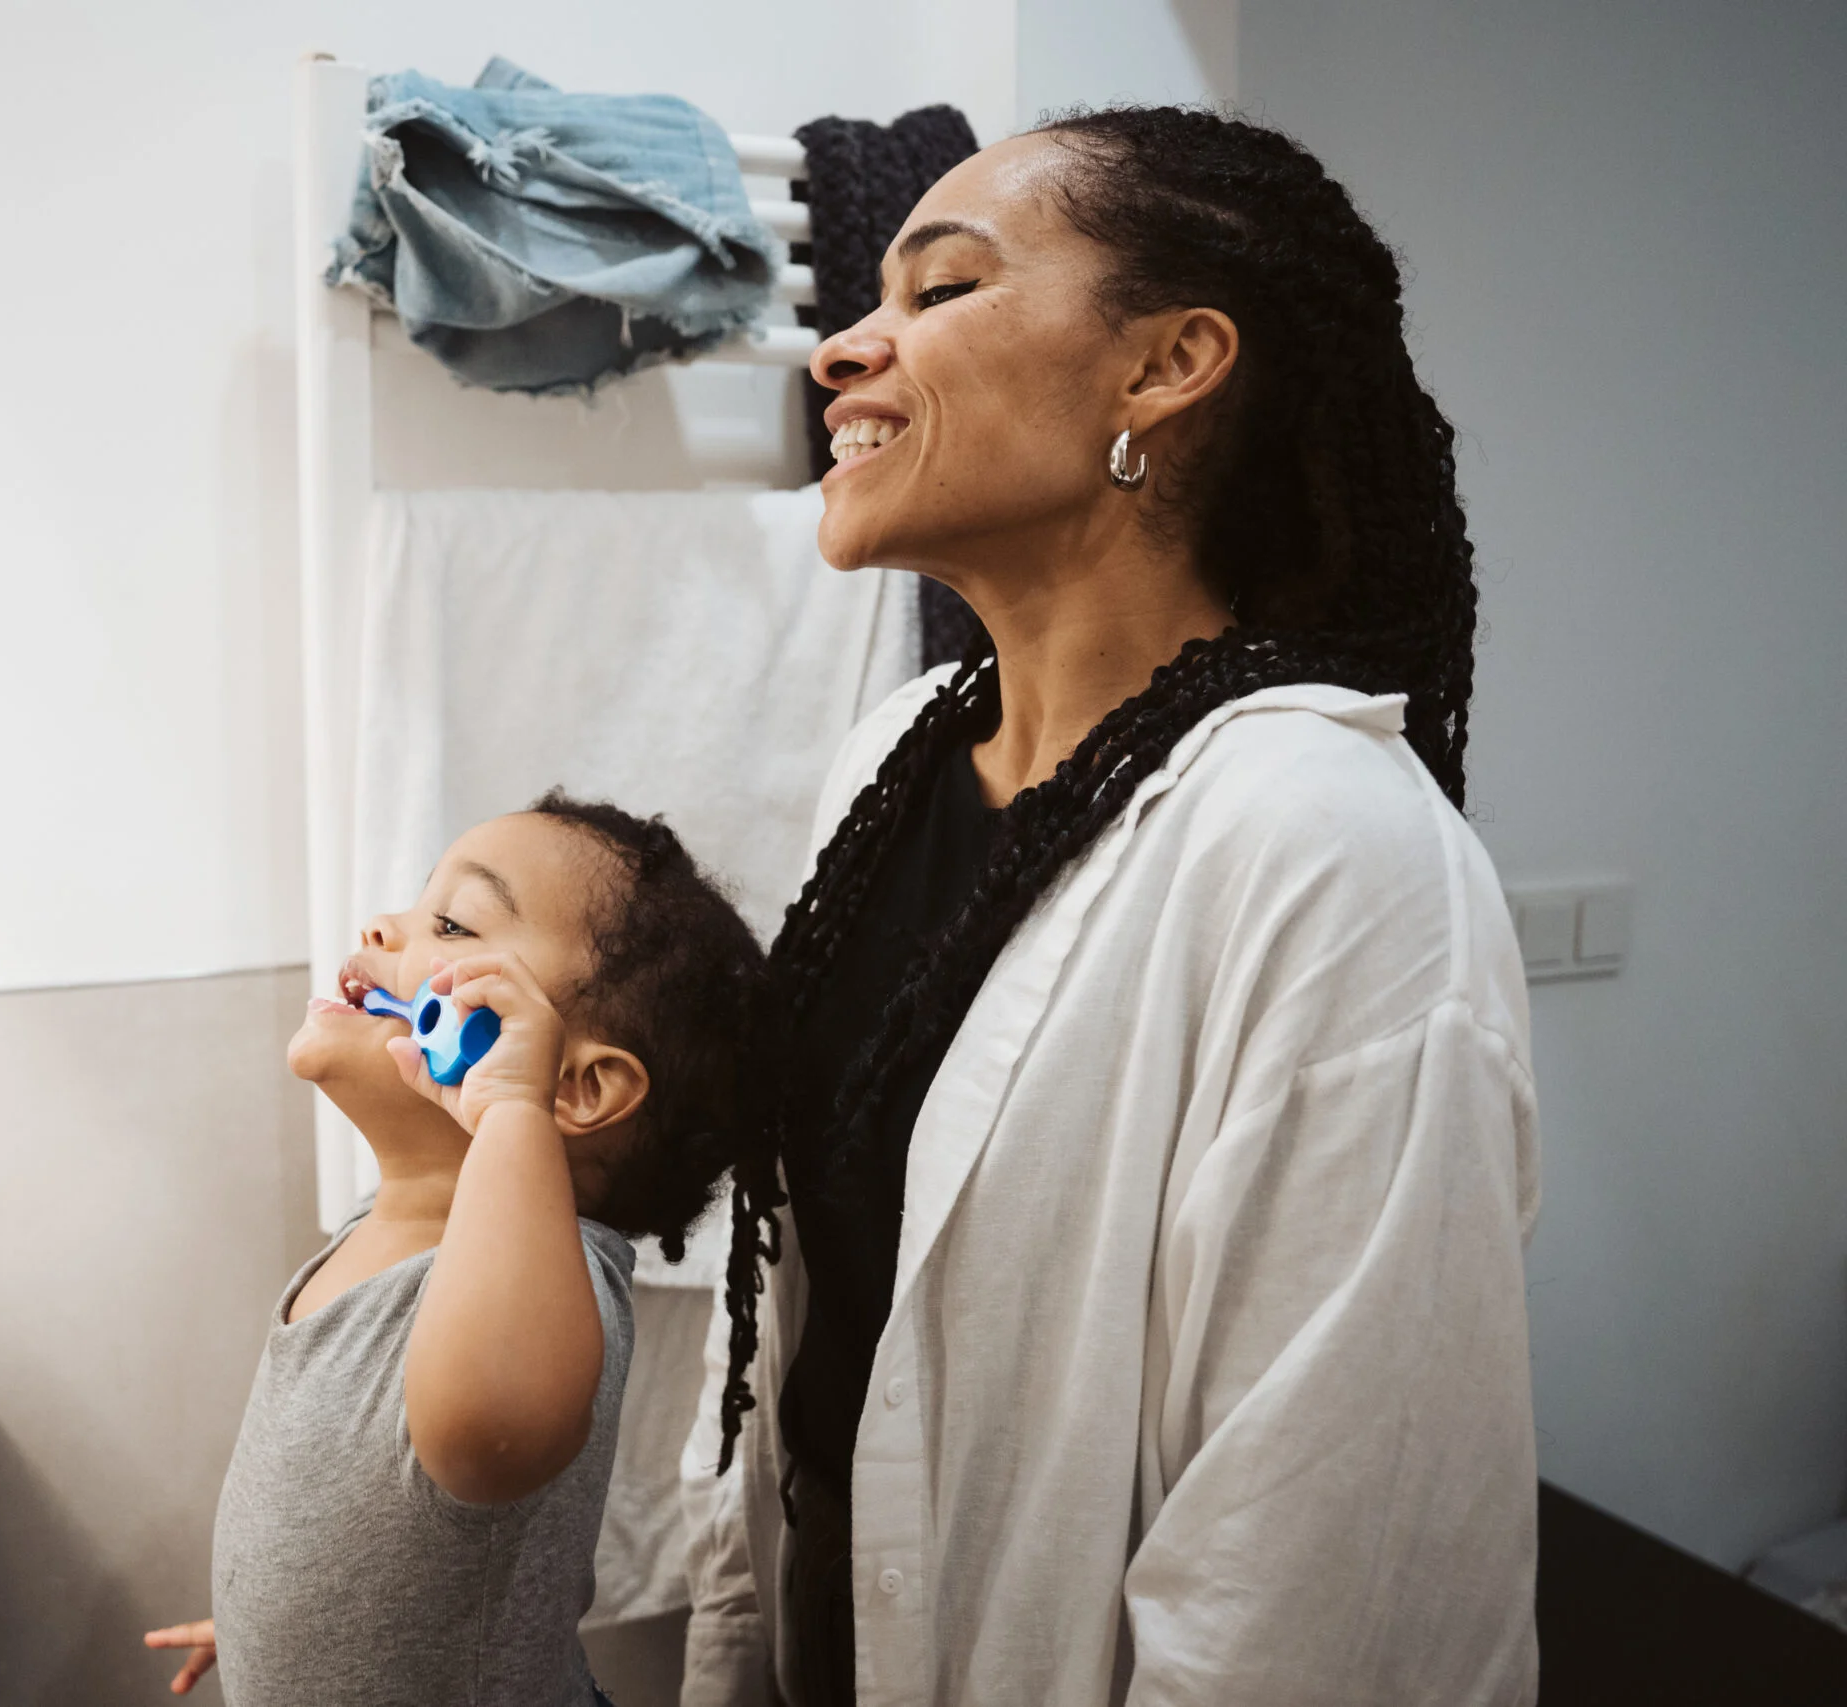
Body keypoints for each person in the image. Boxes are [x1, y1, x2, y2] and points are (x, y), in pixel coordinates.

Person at [681, 107, 1540, 1706]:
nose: (845, 353)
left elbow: (1320, 1556)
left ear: (1165, 366)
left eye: (939, 292)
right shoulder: (898, 755)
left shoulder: (1329, 842)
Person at [146, 793, 764, 1705]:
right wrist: (278, 1623)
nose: (382, 927)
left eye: (451, 920)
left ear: (576, 1085)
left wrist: (510, 1108)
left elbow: (485, 1433)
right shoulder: (378, 1224)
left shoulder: (554, 1276)